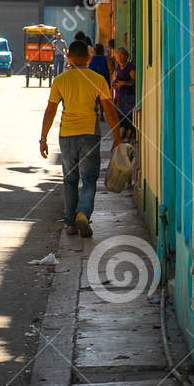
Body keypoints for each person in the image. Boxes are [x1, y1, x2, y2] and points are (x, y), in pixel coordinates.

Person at [39, 40, 122, 238]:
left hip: (67, 135)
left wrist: (43, 138)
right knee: (89, 179)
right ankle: (83, 214)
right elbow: (109, 110)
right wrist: (117, 139)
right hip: (89, 136)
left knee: (69, 180)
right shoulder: (98, 79)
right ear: (88, 58)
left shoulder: (60, 80)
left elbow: (51, 110)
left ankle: (70, 224)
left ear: (68, 58)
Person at [112, 48, 137, 140]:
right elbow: (115, 79)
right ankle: (123, 132)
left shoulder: (130, 67)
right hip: (119, 96)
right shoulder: (118, 67)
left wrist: (124, 83)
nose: (120, 57)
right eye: (118, 55)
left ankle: (129, 132)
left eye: (122, 55)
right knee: (121, 116)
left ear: (127, 56)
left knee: (129, 116)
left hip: (129, 96)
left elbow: (134, 81)